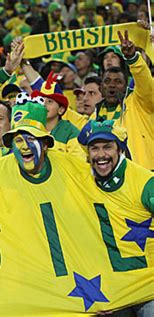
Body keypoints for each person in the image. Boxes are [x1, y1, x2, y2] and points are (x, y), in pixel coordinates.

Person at [78, 120, 153, 317]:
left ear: (119, 150)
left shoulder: (145, 183)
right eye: (94, 148)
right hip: (113, 291)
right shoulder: (82, 182)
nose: (101, 155)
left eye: (107, 147)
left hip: (149, 288)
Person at [94, 30, 153, 170]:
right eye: (107, 81)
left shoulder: (139, 101)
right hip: (116, 181)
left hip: (147, 173)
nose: (112, 85)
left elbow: (146, 83)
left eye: (118, 82)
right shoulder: (95, 115)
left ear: (127, 85)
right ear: (101, 87)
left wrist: (133, 58)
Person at [31, 75, 85, 160]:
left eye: (50, 101)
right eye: (41, 100)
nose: (44, 105)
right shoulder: (30, 128)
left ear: (61, 109)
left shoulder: (71, 133)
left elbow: (78, 163)